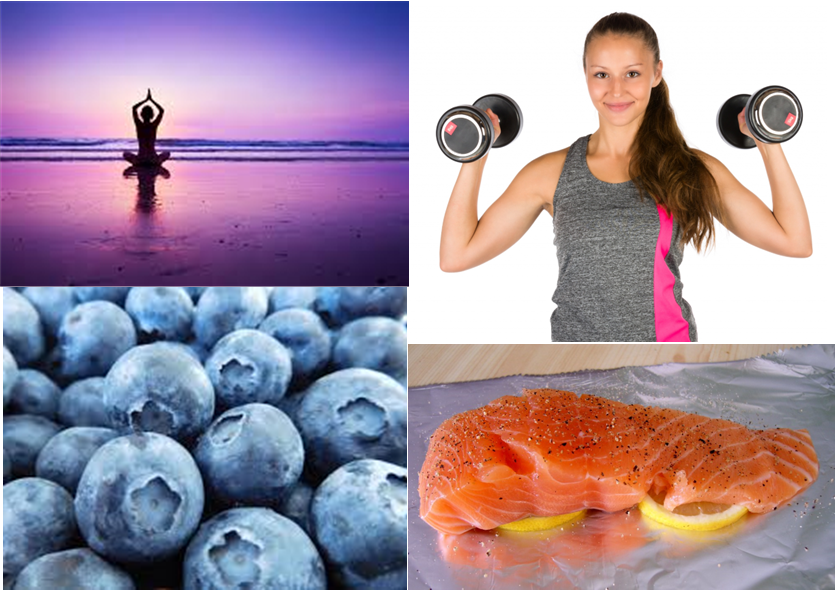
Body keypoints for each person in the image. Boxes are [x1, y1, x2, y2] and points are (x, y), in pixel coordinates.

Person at [438, 12, 812, 343]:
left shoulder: (688, 168)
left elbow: (794, 241)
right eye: (602, 74)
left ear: (656, 73)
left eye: (632, 73)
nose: (616, 90)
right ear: (585, 75)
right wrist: (476, 153)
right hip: (572, 366)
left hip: (667, 362)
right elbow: (457, 256)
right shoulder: (550, 172)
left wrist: (767, 141)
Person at [123, 88, 171, 166]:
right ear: (152, 115)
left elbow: (134, 108)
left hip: (140, 160)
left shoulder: (139, 125)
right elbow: (162, 110)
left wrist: (145, 100)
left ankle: (138, 163)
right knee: (167, 153)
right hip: (154, 160)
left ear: (141, 114)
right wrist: (151, 100)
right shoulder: (154, 125)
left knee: (125, 153)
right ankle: (157, 163)